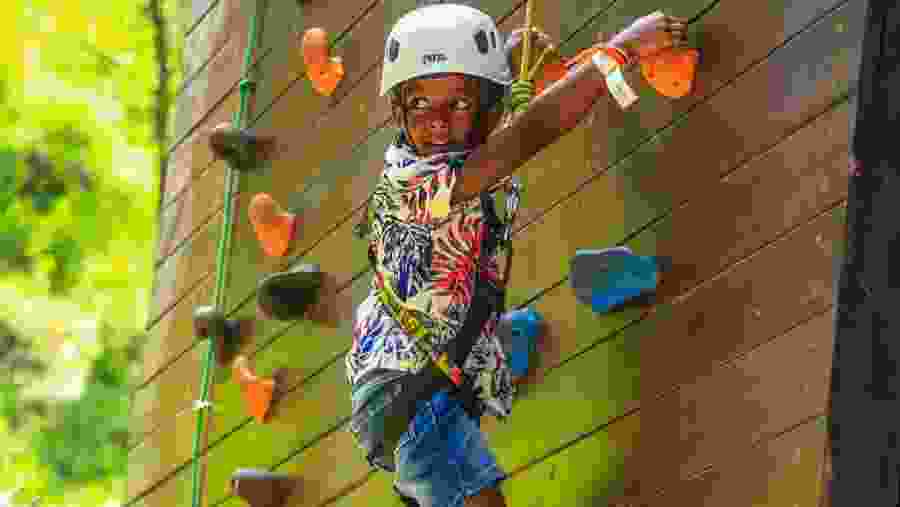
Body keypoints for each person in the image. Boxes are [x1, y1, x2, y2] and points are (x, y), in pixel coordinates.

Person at [346, 4, 687, 507]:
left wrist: (511, 66)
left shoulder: (462, 151)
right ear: (398, 111)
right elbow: (526, 135)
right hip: (410, 395)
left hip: (431, 390)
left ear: (485, 105)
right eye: (420, 105)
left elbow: (501, 128)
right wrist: (624, 47)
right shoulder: (410, 183)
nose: (438, 121)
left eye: (458, 103)